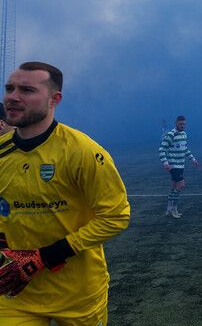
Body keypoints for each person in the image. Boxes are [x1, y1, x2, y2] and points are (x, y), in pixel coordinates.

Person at [0, 61, 130, 324]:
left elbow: (116, 217)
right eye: (9, 88)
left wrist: (45, 256)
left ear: (54, 99)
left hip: (78, 294)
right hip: (16, 294)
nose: (13, 97)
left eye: (26, 90)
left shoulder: (82, 151)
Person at [160, 115, 200, 219]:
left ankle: (169, 208)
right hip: (174, 165)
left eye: (184, 124)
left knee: (174, 186)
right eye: (180, 124)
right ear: (176, 123)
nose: (182, 126)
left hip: (181, 164)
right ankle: (174, 208)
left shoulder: (184, 134)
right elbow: (161, 149)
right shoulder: (171, 134)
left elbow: (185, 149)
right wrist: (165, 162)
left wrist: (193, 159)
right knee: (181, 185)